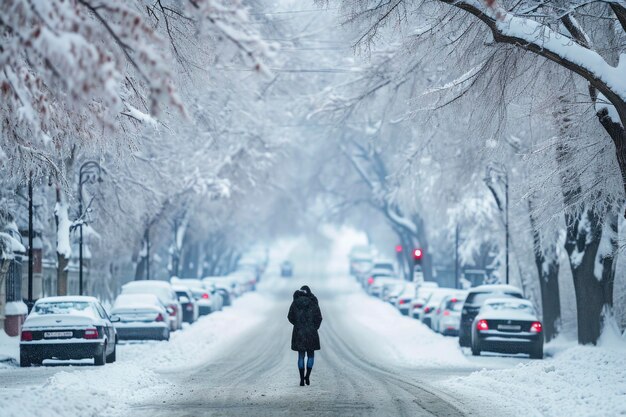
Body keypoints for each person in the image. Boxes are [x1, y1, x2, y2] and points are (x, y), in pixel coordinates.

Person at [287, 285, 322, 386]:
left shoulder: (295, 303)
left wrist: (298, 324)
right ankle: (308, 376)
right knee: (310, 355)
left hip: (299, 332)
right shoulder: (313, 303)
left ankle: (302, 379)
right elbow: (319, 317)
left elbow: (290, 316)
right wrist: (314, 327)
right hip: (311, 332)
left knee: (301, 356)